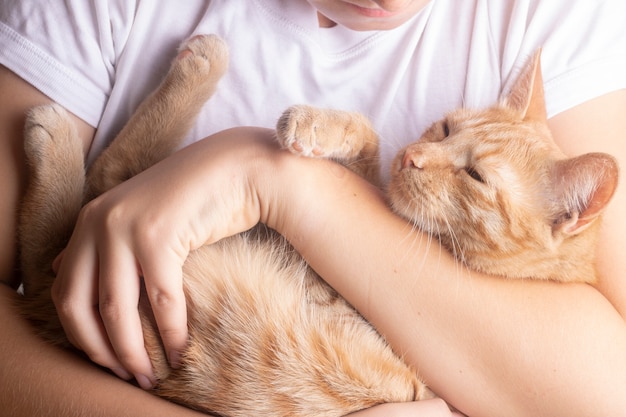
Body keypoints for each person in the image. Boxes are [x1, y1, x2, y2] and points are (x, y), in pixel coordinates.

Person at [1, 0, 625, 416]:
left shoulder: (552, 18)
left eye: (473, 170)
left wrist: (276, 181)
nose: (421, 158)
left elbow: (608, 390)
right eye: (441, 133)